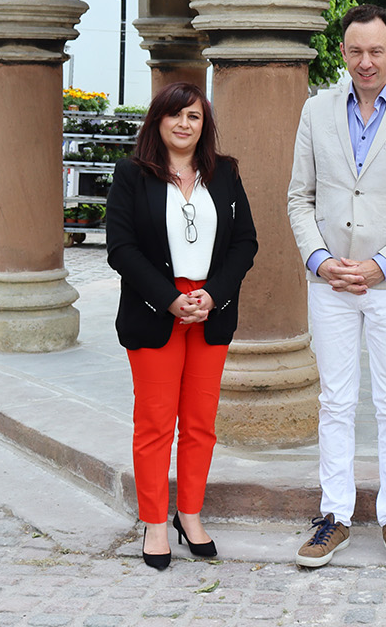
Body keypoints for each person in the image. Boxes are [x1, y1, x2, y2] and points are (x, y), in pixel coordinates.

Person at [287, 4, 386, 571]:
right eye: (355, 51)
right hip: (330, 280)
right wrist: (319, 258)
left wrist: (382, 264)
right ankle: (333, 515)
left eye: (376, 51)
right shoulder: (316, 110)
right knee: (334, 398)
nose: (365, 61)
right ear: (345, 53)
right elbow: (299, 198)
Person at [105, 82, 258, 571]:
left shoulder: (225, 172)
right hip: (157, 311)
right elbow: (120, 248)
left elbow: (246, 244)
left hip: (210, 311)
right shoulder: (132, 175)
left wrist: (213, 295)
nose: (184, 124)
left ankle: (188, 514)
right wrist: (171, 299)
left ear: (203, 123)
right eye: (175, 115)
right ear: (158, 121)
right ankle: (154, 520)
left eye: (193, 116)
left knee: (199, 423)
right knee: (155, 423)